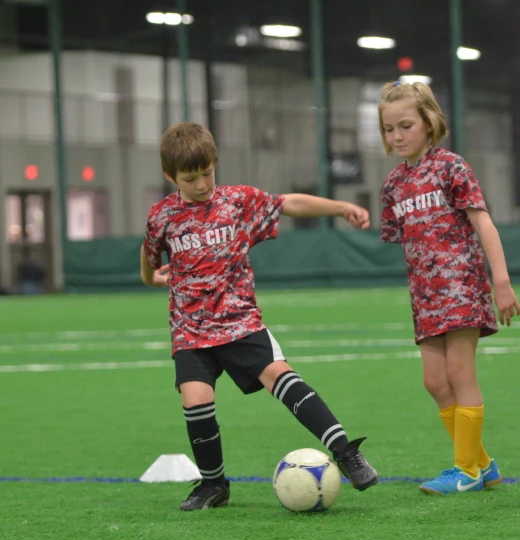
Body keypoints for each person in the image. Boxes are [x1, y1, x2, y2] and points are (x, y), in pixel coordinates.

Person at [141, 121, 378, 511]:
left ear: (215, 164)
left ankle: (345, 451)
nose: (202, 184)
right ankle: (213, 485)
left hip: (240, 322)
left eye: (207, 173)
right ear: (171, 176)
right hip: (190, 329)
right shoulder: (162, 216)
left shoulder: (238, 201)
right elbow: (148, 253)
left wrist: (341, 208)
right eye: (190, 178)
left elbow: (290, 203)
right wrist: (151, 277)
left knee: (281, 376)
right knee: (194, 399)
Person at [379, 81, 520, 495]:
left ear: (429, 122)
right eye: (389, 129)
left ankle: (466, 471)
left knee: (459, 374)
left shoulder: (451, 167)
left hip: (462, 286)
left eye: (406, 125)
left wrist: (502, 282)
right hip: (426, 297)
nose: (397, 136)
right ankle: (482, 463)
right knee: (435, 382)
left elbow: (484, 224)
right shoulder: (392, 185)